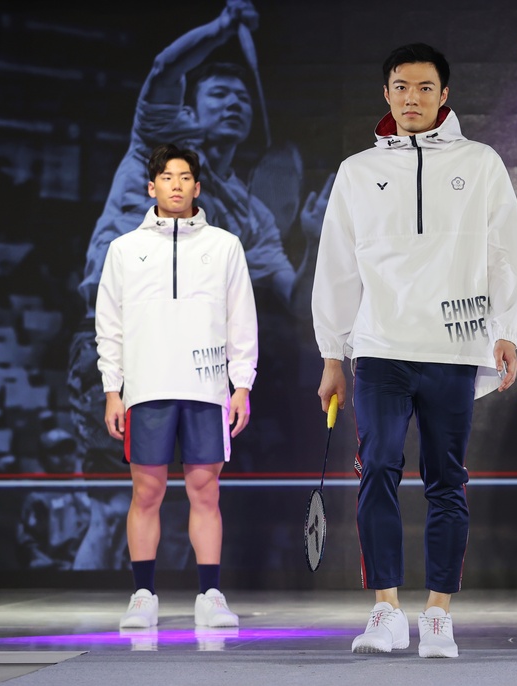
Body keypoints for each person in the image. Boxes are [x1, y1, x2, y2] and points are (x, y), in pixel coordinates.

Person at [68, 0, 331, 570]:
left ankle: (194, 602)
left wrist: (311, 240)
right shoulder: (155, 147)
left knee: (196, 490)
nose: (234, 102)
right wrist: (221, 30)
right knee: (119, 502)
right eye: (219, 94)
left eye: (241, 97)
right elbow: (165, 70)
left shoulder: (251, 214)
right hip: (125, 348)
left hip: (197, 367)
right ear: (189, 110)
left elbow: (293, 296)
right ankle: (98, 615)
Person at [312, 43, 517, 658]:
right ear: (386, 94)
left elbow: (509, 253)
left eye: (425, 87)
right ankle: (385, 610)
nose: (412, 98)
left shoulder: (481, 163)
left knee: (446, 481)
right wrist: (333, 354)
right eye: (401, 87)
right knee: (377, 469)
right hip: (379, 348)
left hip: (454, 348)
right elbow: (335, 268)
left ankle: (438, 614)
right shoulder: (357, 171)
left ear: (445, 96)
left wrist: (507, 330)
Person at [95, 143, 258, 629]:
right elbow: (110, 324)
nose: (176, 185)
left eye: (185, 177)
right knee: (146, 492)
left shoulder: (224, 246)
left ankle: (210, 594)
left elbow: (240, 320)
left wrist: (241, 384)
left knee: (205, 491)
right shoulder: (124, 250)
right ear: (152, 187)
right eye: (167, 177)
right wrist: (112, 388)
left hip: (207, 390)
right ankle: (143, 594)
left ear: (197, 187)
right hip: (145, 389)